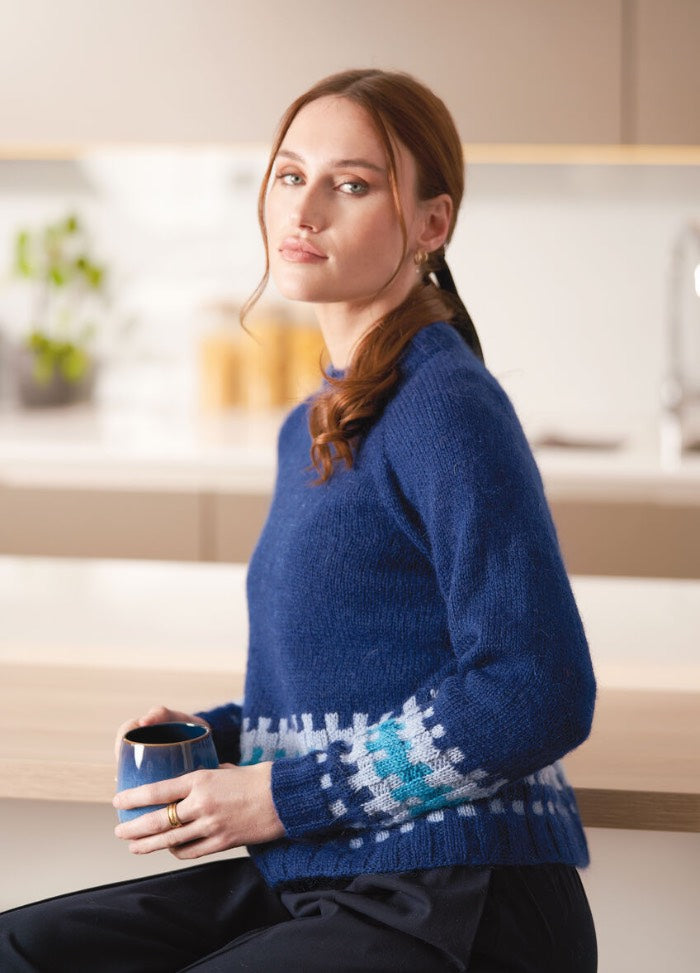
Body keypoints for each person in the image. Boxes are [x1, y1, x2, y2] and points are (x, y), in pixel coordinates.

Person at [0, 69, 598, 972]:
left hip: (459, 893)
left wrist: (278, 796)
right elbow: (371, 672)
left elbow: (536, 685)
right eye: (289, 174)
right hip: (334, 870)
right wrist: (223, 743)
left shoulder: (445, 404)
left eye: (351, 184)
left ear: (431, 224)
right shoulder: (317, 420)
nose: (305, 208)